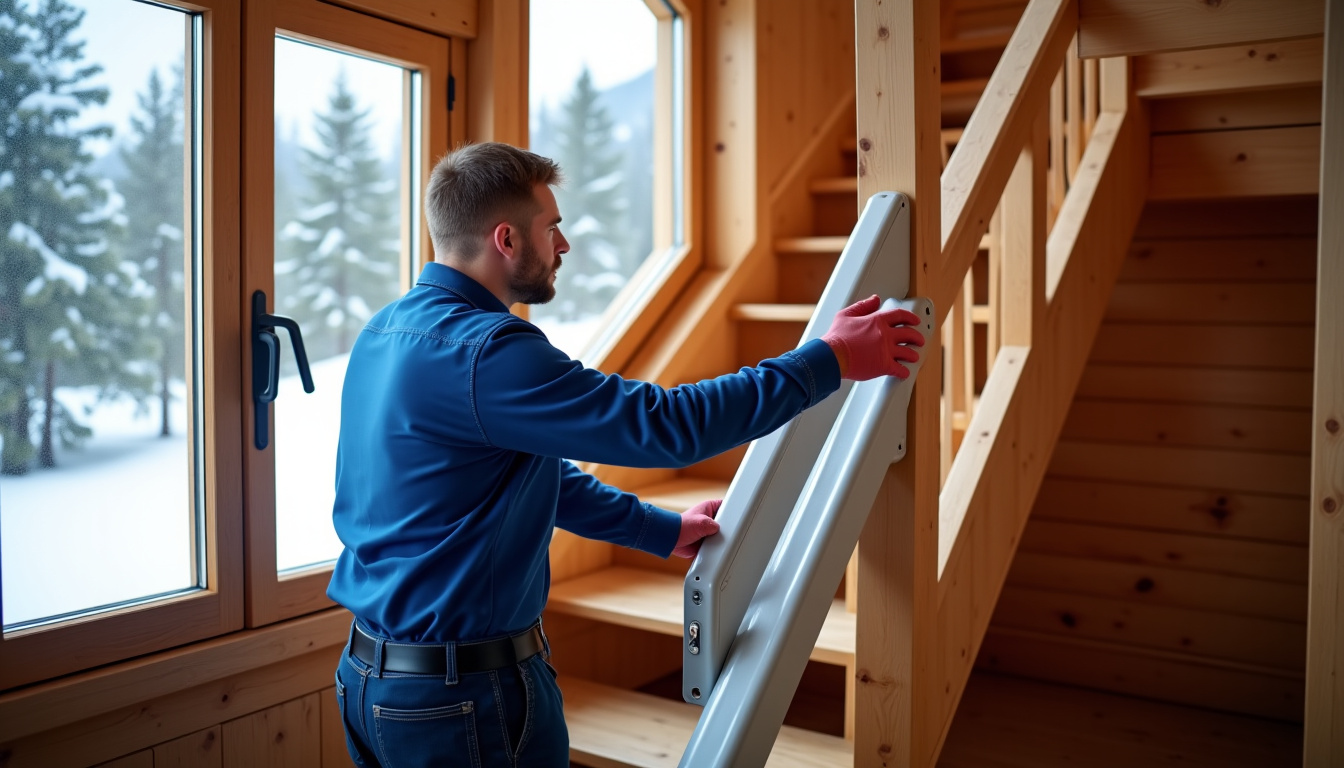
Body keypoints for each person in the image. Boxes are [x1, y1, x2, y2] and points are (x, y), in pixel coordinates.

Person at [327, 142, 924, 768]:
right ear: (505, 239)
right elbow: (667, 427)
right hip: (461, 699)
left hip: (368, 680)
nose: (563, 245)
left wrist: (659, 530)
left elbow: (524, 476)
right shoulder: (489, 353)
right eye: (551, 227)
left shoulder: (385, 330)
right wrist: (829, 359)